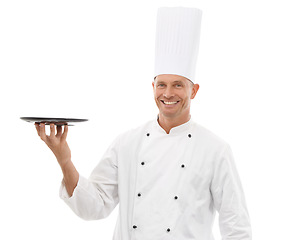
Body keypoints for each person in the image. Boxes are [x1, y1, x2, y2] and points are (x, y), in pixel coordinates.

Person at [35, 7, 252, 240]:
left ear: (194, 90)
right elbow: (94, 206)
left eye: (178, 84)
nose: (168, 93)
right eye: (162, 84)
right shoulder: (127, 143)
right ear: (153, 88)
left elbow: (236, 226)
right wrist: (64, 159)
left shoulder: (215, 149)